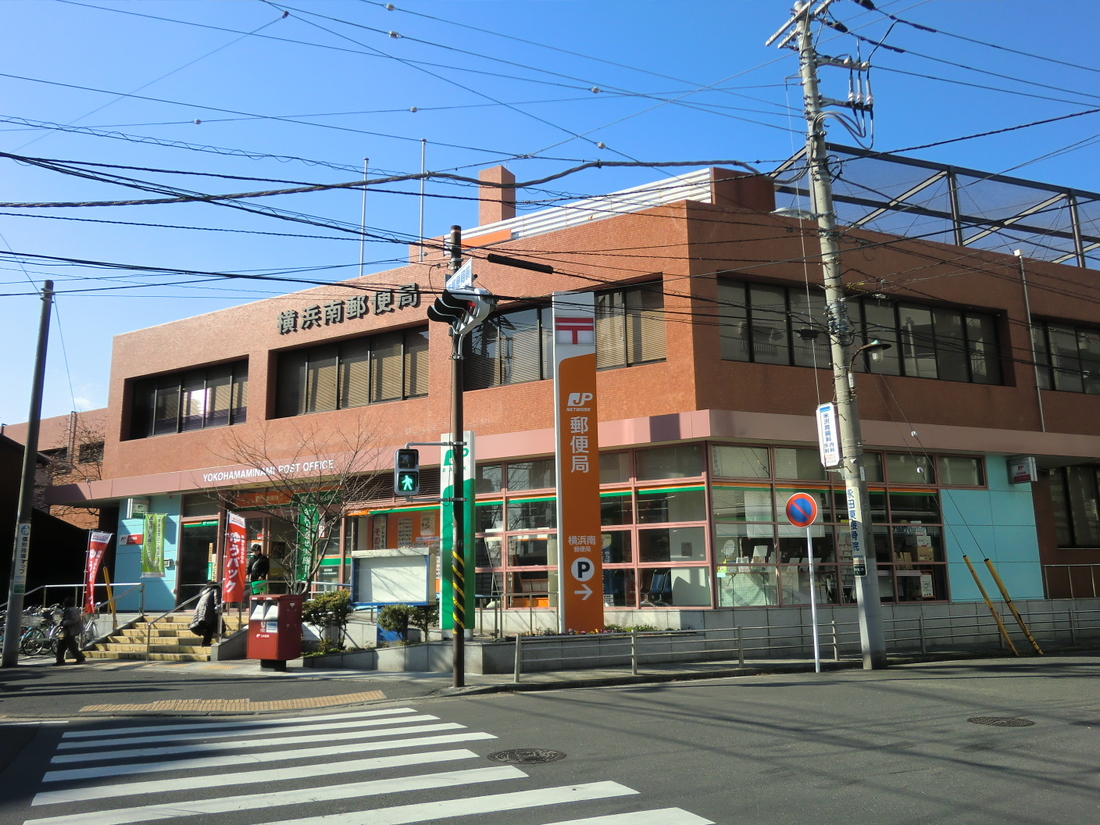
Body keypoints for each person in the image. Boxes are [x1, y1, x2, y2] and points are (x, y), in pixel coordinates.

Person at [54, 598, 86, 665]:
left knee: (69, 646)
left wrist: (64, 623)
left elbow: (73, 620)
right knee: (64, 645)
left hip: (71, 630)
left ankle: (79, 658)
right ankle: (60, 660)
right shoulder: (70, 609)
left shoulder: (71, 610)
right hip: (68, 630)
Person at [189, 581, 221, 646]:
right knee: (210, 626)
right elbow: (216, 598)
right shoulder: (216, 588)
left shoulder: (205, 591)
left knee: (206, 626)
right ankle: (206, 642)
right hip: (209, 610)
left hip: (201, 610)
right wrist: (218, 606)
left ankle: (205, 641)